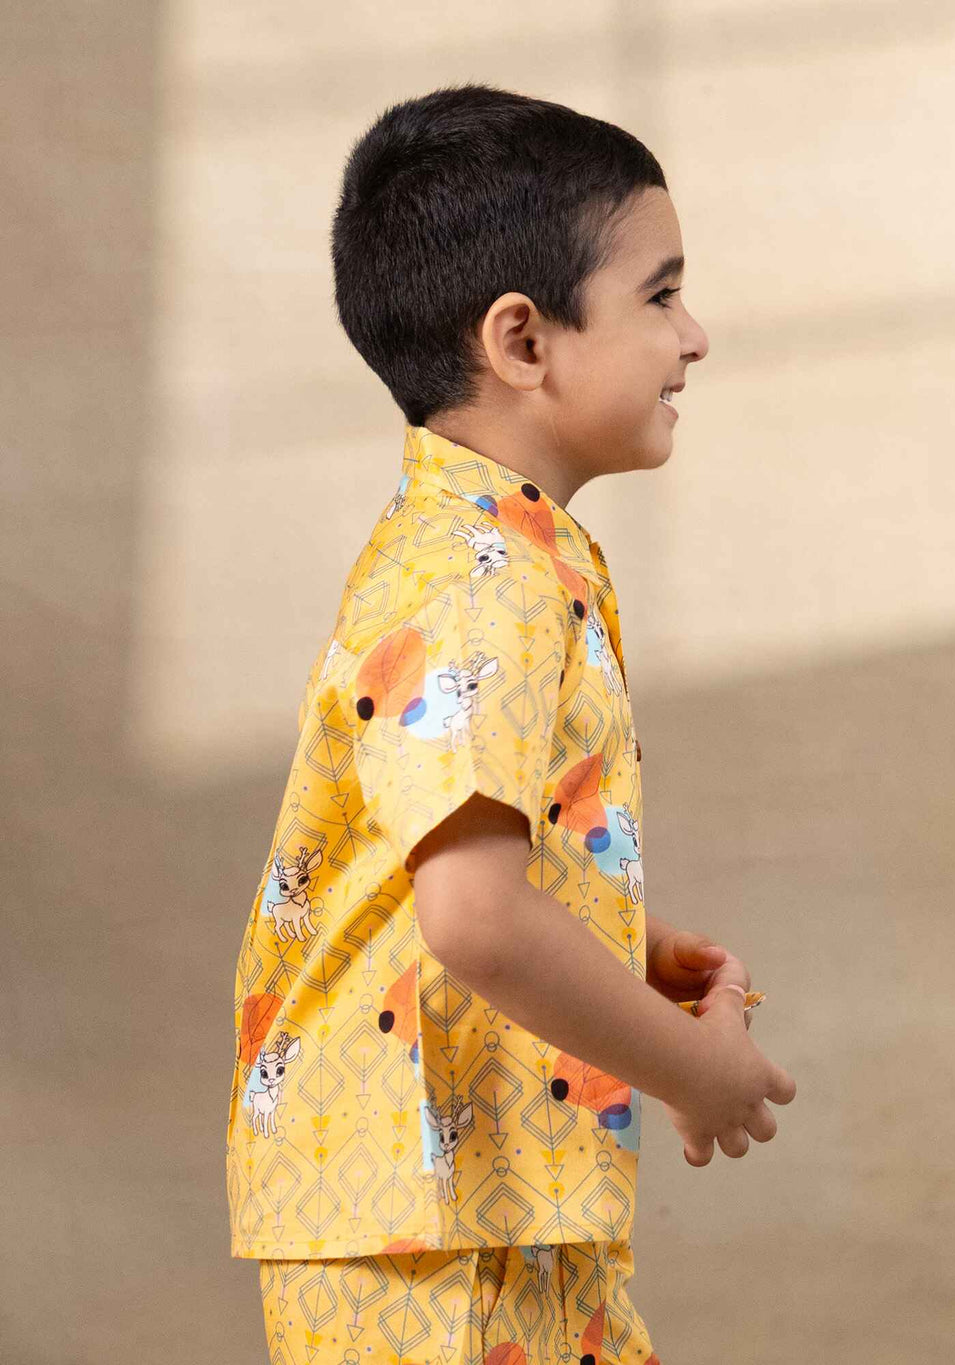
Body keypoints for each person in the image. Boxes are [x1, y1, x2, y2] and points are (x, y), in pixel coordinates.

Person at [225, 81, 797, 1365]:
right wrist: (687, 1068)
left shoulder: (486, 552)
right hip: (441, 1225)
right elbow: (472, 917)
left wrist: (612, 937)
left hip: (470, 1207)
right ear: (523, 342)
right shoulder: (481, 578)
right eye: (659, 294)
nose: (694, 335)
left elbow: (425, 860)